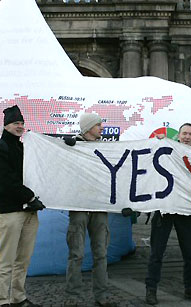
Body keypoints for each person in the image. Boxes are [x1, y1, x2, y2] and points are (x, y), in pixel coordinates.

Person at [0, 105, 45, 307]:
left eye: (21, 123)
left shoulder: (22, 147)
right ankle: (2, 300)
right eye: (16, 123)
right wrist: (29, 197)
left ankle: (18, 297)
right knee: (6, 259)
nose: (20, 126)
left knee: (23, 259)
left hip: (29, 211)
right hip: (11, 211)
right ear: (6, 126)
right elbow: (4, 181)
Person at [145, 123, 191, 305]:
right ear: (178, 135)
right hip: (165, 208)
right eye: (185, 133)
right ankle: (151, 289)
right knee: (157, 252)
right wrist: (159, 144)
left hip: (186, 211)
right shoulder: (167, 150)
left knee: (190, 252)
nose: (187, 137)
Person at [64, 113, 116, 307]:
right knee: (76, 253)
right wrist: (63, 146)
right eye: (98, 124)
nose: (102, 127)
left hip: (99, 206)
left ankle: (101, 296)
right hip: (78, 207)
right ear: (87, 128)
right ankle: (73, 297)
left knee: (101, 253)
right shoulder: (71, 146)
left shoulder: (106, 147)